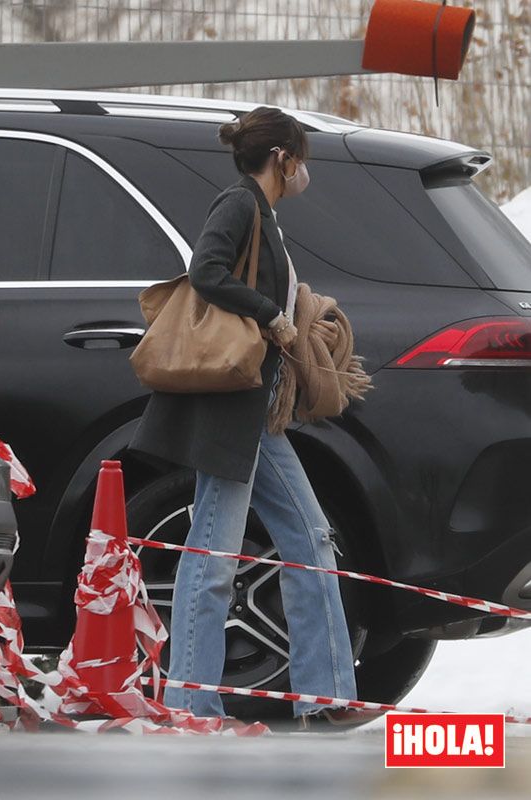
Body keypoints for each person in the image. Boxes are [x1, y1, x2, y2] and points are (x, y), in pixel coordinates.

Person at [128, 105, 368, 730]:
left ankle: (325, 693)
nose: (305, 172)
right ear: (283, 159)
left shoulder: (264, 214)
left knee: (311, 538)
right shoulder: (237, 204)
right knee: (211, 557)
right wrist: (268, 312)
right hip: (230, 410)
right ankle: (191, 704)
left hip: (256, 413)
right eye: (303, 160)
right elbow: (206, 271)